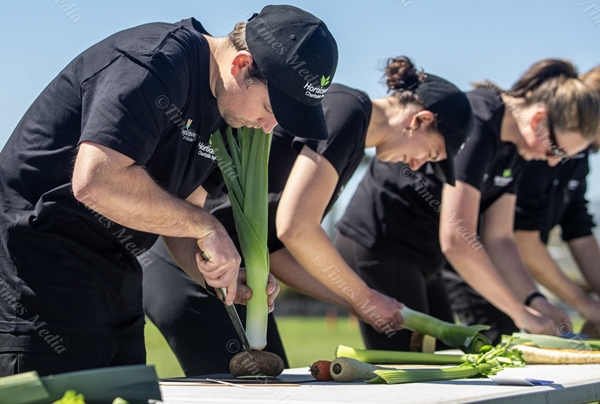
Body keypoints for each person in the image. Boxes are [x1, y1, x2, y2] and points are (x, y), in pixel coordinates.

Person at [0, 5, 339, 376]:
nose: (268, 126)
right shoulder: (155, 62)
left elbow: (178, 217)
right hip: (36, 279)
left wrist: (222, 274)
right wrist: (207, 227)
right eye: (271, 108)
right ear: (241, 66)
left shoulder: (226, 111)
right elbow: (96, 181)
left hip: (117, 284)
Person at [142, 56, 474, 374]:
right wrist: (366, 295)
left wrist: (354, 303)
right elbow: (296, 228)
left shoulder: (353, 137)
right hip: (190, 265)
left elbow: (278, 249)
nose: (416, 165)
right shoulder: (349, 110)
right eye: (430, 153)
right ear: (421, 120)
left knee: (274, 385)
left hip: (233, 277)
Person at [337, 59, 600, 349]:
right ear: (537, 120)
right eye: (555, 149)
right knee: (414, 375)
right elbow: (458, 240)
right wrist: (520, 313)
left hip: (426, 257)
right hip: (378, 242)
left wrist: (534, 301)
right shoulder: (482, 121)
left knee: (448, 364)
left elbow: (499, 240)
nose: (553, 162)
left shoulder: (518, 148)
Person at [513, 66, 600, 332]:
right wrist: (587, 307)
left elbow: (578, 227)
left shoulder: (577, 156)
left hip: (519, 280)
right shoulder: (539, 151)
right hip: (479, 273)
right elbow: (522, 240)